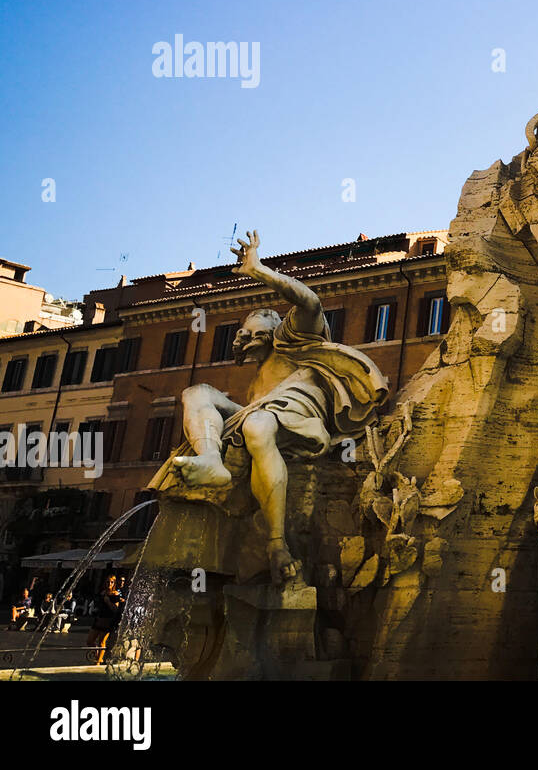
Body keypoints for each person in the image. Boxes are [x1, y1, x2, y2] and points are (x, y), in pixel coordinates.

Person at [150, 231, 387, 583]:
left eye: (254, 331)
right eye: (242, 333)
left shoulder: (293, 340)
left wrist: (258, 270)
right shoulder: (255, 383)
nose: (244, 338)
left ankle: (277, 544)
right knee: (197, 392)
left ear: (276, 330)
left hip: (299, 416)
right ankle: (211, 459)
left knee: (257, 424)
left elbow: (310, 302)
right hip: (261, 415)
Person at [87, 575, 124, 666]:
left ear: (114, 583)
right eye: (108, 582)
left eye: (111, 582)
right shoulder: (102, 592)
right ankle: (97, 656)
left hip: (107, 620)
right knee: (90, 641)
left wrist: (108, 602)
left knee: (101, 642)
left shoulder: (115, 594)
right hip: (99, 618)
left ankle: (98, 662)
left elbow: (115, 609)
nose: (109, 584)